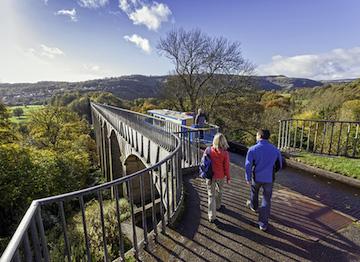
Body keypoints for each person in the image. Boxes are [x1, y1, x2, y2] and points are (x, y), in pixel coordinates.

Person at [245, 129, 282, 231]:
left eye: (257, 135)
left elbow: (248, 165)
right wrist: (272, 172)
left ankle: (254, 206)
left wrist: (248, 177)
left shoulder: (252, 149)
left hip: (256, 177)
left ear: (259, 136)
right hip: (269, 178)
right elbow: (280, 164)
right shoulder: (275, 149)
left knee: (254, 191)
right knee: (266, 200)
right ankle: (263, 224)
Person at [206, 133, 230, 223]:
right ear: (224, 141)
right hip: (220, 176)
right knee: (219, 191)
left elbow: (204, 163)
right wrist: (228, 177)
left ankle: (212, 216)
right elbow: (226, 167)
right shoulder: (225, 153)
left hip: (210, 176)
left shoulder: (208, 150)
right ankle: (218, 205)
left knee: (211, 195)